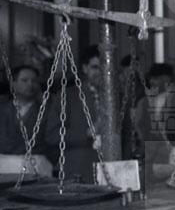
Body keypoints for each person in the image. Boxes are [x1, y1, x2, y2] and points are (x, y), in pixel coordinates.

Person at [45, 44, 103, 183]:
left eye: (104, 68)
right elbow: (52, 135)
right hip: (79, 170)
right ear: (85, 68)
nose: (100, 72)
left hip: (113, 167)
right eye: (95, 67)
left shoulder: (118, 97)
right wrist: (86, 133)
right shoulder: (67, 96)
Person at [0, 65, 47, 155]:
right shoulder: (2, 109)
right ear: (13, 84)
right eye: (24, 80)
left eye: (34, 81)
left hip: (34, 159)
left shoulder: (46, 111)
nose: (30, 84)